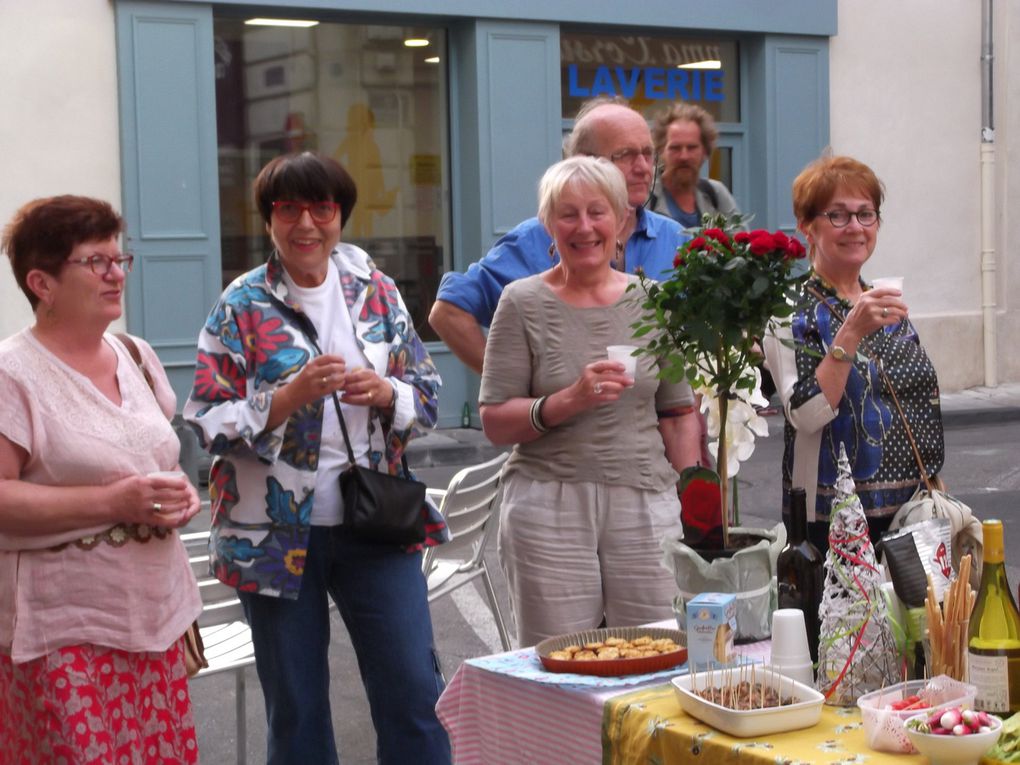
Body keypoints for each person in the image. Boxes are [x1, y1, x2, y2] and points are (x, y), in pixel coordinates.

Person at [183, 152, 450, 764]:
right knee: (298, 710)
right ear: (269, 221)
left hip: (376, 523)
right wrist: (284, 400)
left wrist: (388, 393)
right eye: (288, 209)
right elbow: (205, 420)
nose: (307, 223)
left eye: (322, 207)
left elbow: (429, 396)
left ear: (340, 216)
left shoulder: (376, 292)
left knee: (413, 690)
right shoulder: (240, 305)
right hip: (272, 537)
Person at [0, 195, 202, 763]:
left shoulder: (135, 355)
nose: (116, 273)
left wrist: (177, 494)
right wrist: (117, 500)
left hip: (154, 620)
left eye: (120, 258)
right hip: (63, 629)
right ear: (41, 283)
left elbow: (154, 463)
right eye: (95, 262)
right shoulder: (11, 373)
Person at [479, 156, 702, 647]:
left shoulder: (653, 299)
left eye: (597, 212)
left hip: (645, 502)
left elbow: (678, 413)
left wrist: (694, 498)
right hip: (548, 503)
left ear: (621, 221)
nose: (584, 227)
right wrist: (567, 400)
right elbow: (495, 422)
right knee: (561, 663)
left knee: (660, 655)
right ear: (547, 226)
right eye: (568, 214)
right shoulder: (521, 302)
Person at [762, 155, 944, 554]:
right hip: (833, 520)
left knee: (913, 617)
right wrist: (852, 331)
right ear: (807, 225)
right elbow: (806, 413)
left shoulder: (882, 298)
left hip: (912, 513)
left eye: (866, 214)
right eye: (838, 216)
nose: (856, 228)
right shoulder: (788, 308)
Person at [429, 96, 688, 374]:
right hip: (558, 415)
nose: (643, 168)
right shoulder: (535, 239)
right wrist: (511, 386)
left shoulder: (675, 239)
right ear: (583, 162)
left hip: (657, 416)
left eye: (648, 154)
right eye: (625, 155)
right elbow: (447, 313)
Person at [648, 102, 742, 229]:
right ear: (660, 150)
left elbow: (740, 243)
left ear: (705, 151)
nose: (684, 156)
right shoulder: (646, 196)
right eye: (675, 148)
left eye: (692, 148)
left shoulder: (716, 194)